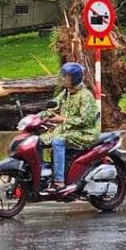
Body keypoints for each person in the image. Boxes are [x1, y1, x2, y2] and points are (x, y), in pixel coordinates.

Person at [39, 62, 100, 192]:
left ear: (75, 78)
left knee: (58, 141)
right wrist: (40, 116)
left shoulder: (85, 96)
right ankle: (43, 175)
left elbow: (86, 120)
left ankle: (59, 181)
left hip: (84, 132)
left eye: (66, 77)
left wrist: (63, 119)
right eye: (63, 76)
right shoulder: (66, 93)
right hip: (67, 130)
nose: (63, 79)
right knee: (38, 140)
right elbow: (53, 107)